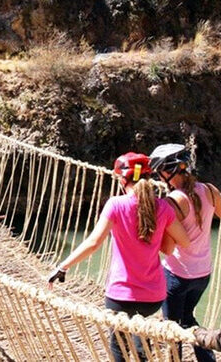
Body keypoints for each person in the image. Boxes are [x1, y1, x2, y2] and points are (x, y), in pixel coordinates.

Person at [48, 152, 190, 362]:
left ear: (123, 179)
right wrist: (159, 236)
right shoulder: (163, 207)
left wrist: (62, 267)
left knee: (119, 345)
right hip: (154, 297)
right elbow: (183, 242)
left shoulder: (116, 205)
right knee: (141, 331)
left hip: (121, 296)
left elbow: (93, 243)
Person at [149, 143, 221, 362]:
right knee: (187, 318)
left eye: (159, 172)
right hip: (203, 275)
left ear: (167, 171)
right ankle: (207, 359)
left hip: (176, 277)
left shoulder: (172, 202)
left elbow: (168, 248)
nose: (159, 178)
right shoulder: (209, 190)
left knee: (171, 329)